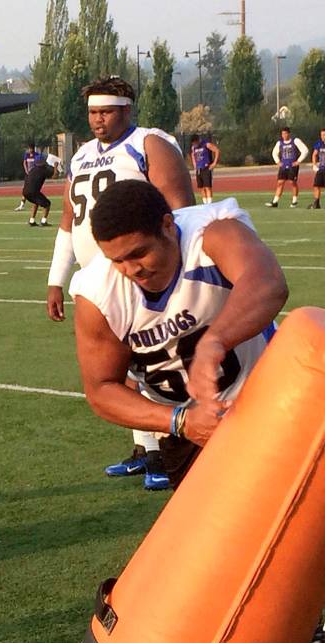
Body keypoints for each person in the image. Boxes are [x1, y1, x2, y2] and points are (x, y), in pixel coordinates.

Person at [69, 179, 286, 487]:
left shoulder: (211, 233)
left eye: (139, 253)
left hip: (267, 396)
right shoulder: (98, 294)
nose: (131, 270)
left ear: (168, 225)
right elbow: (101, 389)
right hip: (190, 429)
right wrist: (179, 421)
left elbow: (268, 283)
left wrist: (215, 341)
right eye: (117, 260)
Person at [45, 76, 195, 489]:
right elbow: (68, 219)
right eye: (93, 112)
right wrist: (56, 278)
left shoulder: (149, 144)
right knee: (122, 369)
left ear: (127, 109)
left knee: (158, 363)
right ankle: (147, 450)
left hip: (143, 276)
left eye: (106, 111)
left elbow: (180, 212)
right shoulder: (80, 157)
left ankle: (170, 450)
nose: (97, 120)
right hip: (99, 283)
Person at [265, 127, 309, 208]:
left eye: (285, 133)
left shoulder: (295, 141)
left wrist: (298, 161)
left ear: (289, 133)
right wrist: (277, 161)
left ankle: (294, 201)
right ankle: (275, 202)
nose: (284, 135)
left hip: (293, 166)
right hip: (283, 166)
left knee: (292, 182)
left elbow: (305, 150)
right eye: (282, 134)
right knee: (280, 182)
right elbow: (274, 153)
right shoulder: (280, 143)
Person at [24, 148, 61, 227]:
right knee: (47, 204)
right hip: (33, 191)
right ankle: (44, 221)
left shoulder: (32, 169)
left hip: (25, 192)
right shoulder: (43, 170)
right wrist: (55, 166)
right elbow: (55, 176)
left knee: (36, 202)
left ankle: (32, 220)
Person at [14, 144, 47, 211]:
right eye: (29, 149)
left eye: (31, 149)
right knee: (26, 189)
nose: (30, 150)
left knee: (33, 189)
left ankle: (36, 203)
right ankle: (22, 205)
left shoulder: (36, 155)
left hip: (34, 175)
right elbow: (24, 163)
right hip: (28, 174)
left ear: (33, 149)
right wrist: (26, 171)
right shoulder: (27, 155)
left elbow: (38, 164)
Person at [189, 134, 220, 205]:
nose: (194, 144)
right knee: (201, 187)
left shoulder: (206, 144)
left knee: (207, 186)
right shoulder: (193, 147)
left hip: (206, 168)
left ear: (198, 140)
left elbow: (217, 150)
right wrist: (194, 164)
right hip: (199, 169)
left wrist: (214, 163)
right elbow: (193, 155)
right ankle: (205, 203)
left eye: (195, 142)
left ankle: (209, 204)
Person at [310, 128, 325, 210]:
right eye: (322, 135)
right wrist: (314, 164)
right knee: (316, 185)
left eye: (324, 135)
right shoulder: (319, 143)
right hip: (321, 168)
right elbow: (314, 154)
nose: (323, 137)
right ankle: (317, 203)